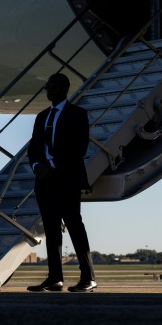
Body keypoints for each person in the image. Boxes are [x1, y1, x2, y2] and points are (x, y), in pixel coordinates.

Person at [27, 73, 97, 293]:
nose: (47, 90)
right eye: (46, 86)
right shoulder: (41, 116)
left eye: (51, 86)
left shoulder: (77, 114)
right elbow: (34, 148)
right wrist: (36, 166)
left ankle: (88, 278)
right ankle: (55, 278)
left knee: (74, 226)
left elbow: (79, 148)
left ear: (64, 88)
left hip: (66, 177)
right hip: (44, 180)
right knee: (51, 229)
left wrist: (54, 165)